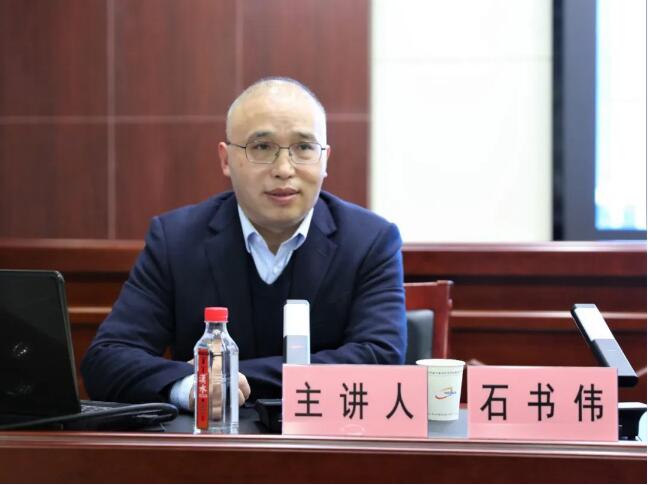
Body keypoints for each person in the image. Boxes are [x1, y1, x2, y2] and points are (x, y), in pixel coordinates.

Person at [81, 77, 406, 413]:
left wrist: (219, 377)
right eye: (261, 147)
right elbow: (107, 359)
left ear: (325, 159)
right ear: (226, 159)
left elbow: (380, 360)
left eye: (304, 148)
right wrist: (189, 387)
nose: (284, 169)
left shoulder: (370, 241)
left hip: (326, 441)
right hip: (210, 443)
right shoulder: (176, 240)